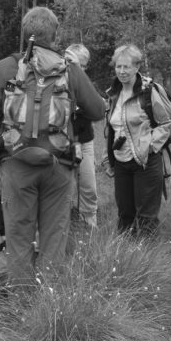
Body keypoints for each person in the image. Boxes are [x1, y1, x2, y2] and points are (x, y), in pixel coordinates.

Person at [0, 7, 105, 290]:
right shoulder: (68, 68)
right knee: (54, 237)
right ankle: (48, 308)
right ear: (55, 35)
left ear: (24, 35)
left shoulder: (5, 68)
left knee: (18, 236)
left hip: (16, 164)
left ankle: (21, 306)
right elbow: (97, 110)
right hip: (58, 167)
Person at [105, 44, 171, 236]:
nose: (121, 71)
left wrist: (150, 147)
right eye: (118, 67)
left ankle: (149, 261)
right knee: (125, 214)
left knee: (146, 216)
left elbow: (167, 122)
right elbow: (112, 127)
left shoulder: (148, 91)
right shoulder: (113, 93)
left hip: (146, 161)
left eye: (126, 67)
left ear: (137, 67)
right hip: (121, 161)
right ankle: (124, 260)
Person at [65, 43, 99, 228]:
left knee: (88, 184)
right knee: (66, 186)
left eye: (84, 65)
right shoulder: (59, 83)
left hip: (85, 140)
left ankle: (90, 221)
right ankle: (67, 222)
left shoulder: (87, 85)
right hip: (63, 144)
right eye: (78, 64)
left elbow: (98, 110)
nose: (81, 69)